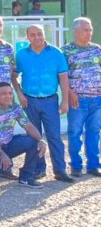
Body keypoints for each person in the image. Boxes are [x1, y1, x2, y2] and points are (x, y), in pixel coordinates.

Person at [14, 24, 74, 182]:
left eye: (39, 34)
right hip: (29, 101)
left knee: (54, 136)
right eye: (33, 35)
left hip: (50, 101)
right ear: (28, 37)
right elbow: (13, 76)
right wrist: (19, 94)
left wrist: (65, 101)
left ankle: (60, 170)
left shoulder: (56, 53)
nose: (37, 37)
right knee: (34, 137)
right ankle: (38, 169)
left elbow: (63, 78)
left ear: (44, 34)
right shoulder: (21, 55)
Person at [0, 82, 48, 188]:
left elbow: (28, 125)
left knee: (34, 142)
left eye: (10, 93)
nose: (8, 96)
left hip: (8, 145)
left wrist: (41, 140)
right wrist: (1, 154)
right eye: (3, 94)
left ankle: (26, 177)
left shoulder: (15, 107)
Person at [62, 17, 101, 177]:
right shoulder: (66, 51)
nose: (89, 33)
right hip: (77, 100)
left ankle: (93, 165)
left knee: (94, 132)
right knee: (74, 133)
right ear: (76, 31)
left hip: (97, 100)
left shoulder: (97, 49)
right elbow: (62, 77)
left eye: (90, 29)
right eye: (86, 30)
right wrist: (70, 94)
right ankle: (76, 166)